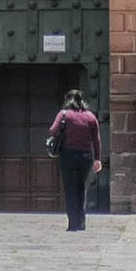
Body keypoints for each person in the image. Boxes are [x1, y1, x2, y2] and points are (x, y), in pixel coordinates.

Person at [49, 87, 102, 232]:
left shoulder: (64, 114)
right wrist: (97, 159)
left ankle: (73, 223)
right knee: (81, 188)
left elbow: (53, 130)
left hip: (68, 155)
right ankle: (82, 222)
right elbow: (96, 139)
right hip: (86, 156)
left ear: (68, 100)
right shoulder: (90, 117)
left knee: (70, 189)